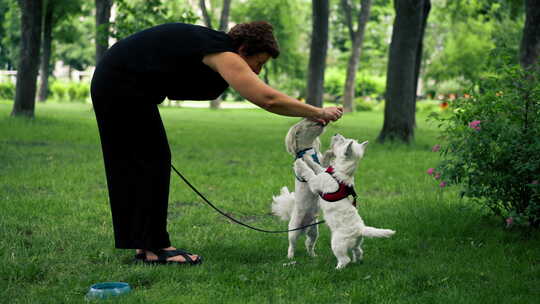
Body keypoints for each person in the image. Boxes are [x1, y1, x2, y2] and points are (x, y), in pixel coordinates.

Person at [90, 21, 343, 265]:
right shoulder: (223, 52)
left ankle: (147, 245)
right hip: (120, 84)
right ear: (243, 50)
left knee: (149, 161)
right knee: (147, 163)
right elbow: (268, 99)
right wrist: (318, 112)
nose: (257, 71)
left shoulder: (212, 47)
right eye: (259, 62)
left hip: (121, 83)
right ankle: (154, 249)